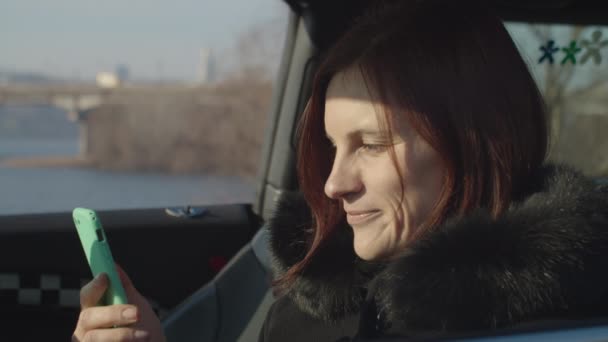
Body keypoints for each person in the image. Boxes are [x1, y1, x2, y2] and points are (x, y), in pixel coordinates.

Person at [73, 1, 608, 341]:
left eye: (371, 144)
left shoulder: (564, 317)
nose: (333, 183)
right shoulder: (312, 294)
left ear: (477, 144)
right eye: (332, 147)